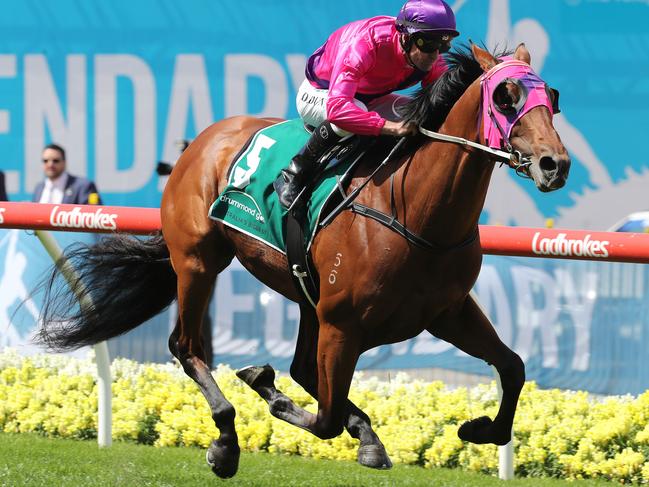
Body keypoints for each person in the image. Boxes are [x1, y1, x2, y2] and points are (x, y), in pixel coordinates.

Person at [276, 0, 460, 209]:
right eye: (428, 44)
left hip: (368, 98)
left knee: (417, 114)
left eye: (442, 45)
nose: (435, 55)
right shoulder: (364, 45)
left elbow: (443, 103)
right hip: (320, 94)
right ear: (406, 37)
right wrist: (390, 127)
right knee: (356, 112)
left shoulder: (428, 53)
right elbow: (338, 110)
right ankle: (295, 173)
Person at [32, 143, 102, 205]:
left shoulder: (84, 186)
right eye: (45, 161)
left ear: (64, 162)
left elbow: (93, 214)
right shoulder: (39, 188)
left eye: (55, 161)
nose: (50, 164)